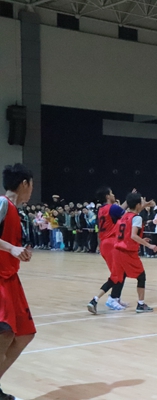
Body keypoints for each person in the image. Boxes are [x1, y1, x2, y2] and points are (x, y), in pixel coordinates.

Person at [0, 164, 36, 400]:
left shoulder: (15, 210)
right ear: (24, 183)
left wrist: (18, 252)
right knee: (4, 333)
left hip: (11, 278)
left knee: (24, 334)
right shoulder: (2, 203)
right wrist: (12, 248)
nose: (32, 190)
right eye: (31, 185)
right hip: (0, 278)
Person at [113, 193, 157, 313]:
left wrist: (146, 204)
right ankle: (140, 304)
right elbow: (133, 235)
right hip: (128, 252)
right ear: (138, 204)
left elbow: (128, 233)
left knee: (120, 275)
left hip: (117, 250)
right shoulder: (137, 218)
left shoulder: (124, 216)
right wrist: (149, 245)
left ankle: (111, 298)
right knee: (141, 276)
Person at [87, 187, 129, 314]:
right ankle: (98, 299)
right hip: (111, 244)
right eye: (111, 193)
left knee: (122, 271)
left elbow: (119, 209)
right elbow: (128, 214)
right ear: (107, 196)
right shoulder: (113, 208)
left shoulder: (102, 209)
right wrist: (136, 203)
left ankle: (116, 298)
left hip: (105, 243)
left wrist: (128, 200)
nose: (113, 195)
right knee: (117, 274)